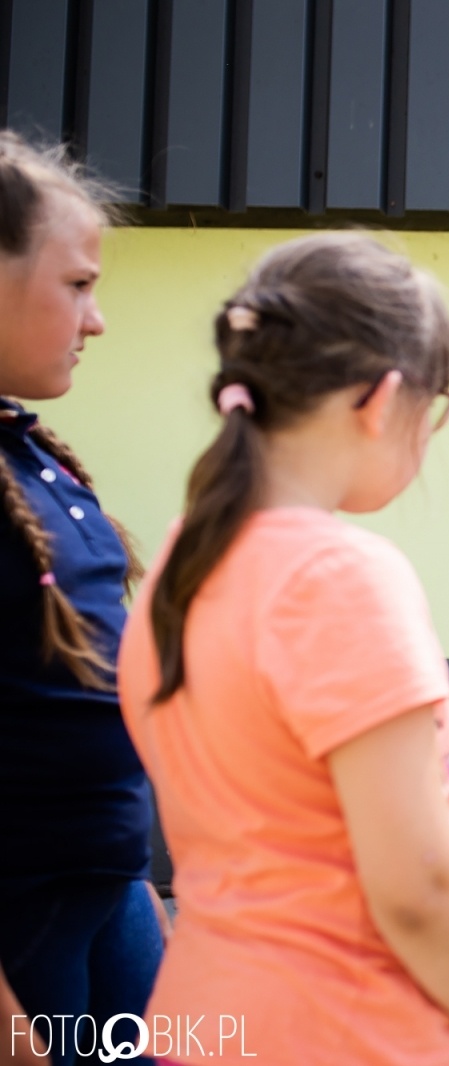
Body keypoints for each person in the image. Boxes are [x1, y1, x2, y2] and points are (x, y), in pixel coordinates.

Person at [116, 233, 449, 1065]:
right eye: (435, 405)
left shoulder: (175, 564)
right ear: (381, 400)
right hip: (349, 1030)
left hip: (201, 1018)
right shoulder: (339, 576)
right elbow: (419, 887)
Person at [1, 131, 169, 1066]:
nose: (96, 319)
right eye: (76, 286)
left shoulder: (31, 454)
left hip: (107, 892)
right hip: (25, 921)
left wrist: (132, 886)